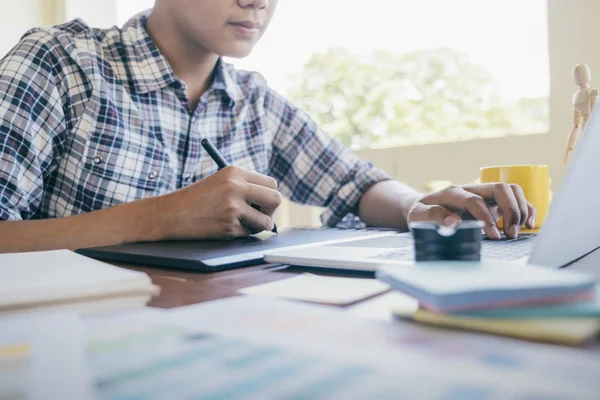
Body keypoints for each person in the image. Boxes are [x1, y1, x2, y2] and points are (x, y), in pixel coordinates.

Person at [0, 0, 535, 253]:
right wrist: (164, 216)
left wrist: (416, 206)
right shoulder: (61, 63)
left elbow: (355, 182)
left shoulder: (254, 101)